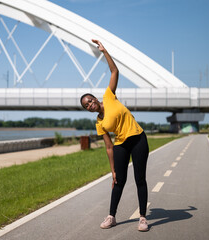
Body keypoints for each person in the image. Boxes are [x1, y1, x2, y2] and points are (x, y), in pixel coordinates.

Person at [80, 39, 149, 232]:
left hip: (138, 138)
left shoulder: (108, 96)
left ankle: (143, 218)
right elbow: (109, 147)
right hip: (121, 144)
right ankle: (112, 216)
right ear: (88, 110)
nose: (89, 105)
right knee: (118, 180)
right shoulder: (99, 123)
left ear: (94, 98)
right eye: (86, 106)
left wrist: (104, 52)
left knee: (140, 178)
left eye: (89, 101)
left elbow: (114, 72)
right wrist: (112, 171)